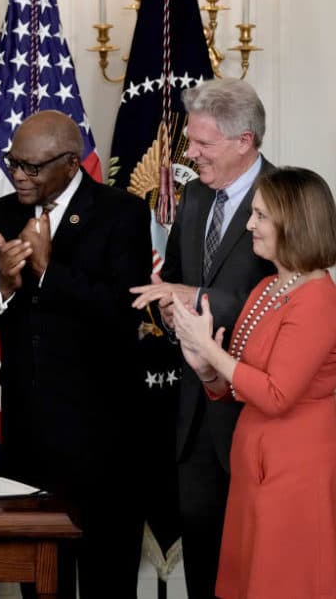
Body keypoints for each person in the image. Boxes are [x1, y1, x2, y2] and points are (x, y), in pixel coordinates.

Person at [0, 110, 151, 598]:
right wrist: (4, 282)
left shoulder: (120, 213)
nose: (19, 175)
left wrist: (47, 272)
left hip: (105, 439)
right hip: (31, 437)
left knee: (108, 577)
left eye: (33, 167)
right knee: (43, 580)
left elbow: (123, 312)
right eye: (13, 163)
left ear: (70, 163)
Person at [130, 78, 275, 599]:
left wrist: (189, 296)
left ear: (245, 141)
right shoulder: (193, 194)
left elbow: (283, 300)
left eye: (202, 144)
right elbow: (171, 276)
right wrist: (171, 310)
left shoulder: (286, 197)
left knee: (255, 568)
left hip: (257, 411)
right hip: (194, 415)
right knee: (205, 568)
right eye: (189, 141)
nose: (188, 154)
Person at [170, 167, 336, 598]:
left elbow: (277, 395)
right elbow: (238, 383)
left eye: (260, 216)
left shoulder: (317, 296)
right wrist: (205, 366)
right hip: (253, 465)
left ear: (292, 222)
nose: (248, 225)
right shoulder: (267, 287)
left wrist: (210, 352)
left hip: (294, 471)